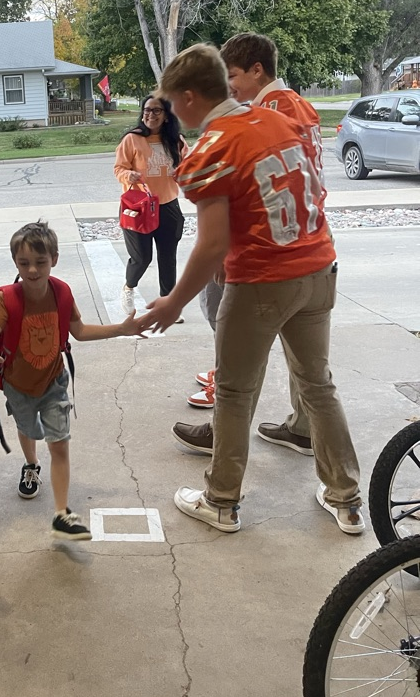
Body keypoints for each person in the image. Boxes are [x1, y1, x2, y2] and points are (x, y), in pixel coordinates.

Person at [137, 43, 363, 535]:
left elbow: (212, 243)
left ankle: (221, 500)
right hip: (319, 266)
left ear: (191, 97)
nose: (173, 114)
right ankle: (345, 497)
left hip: (264, 279)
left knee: (235, 393)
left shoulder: (214, 146)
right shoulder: (282, 117)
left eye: (174, 104)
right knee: (318, 384)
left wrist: (173, 301)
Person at [181, 32, 322, 439]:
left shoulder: (266, 114)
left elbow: (261, 191)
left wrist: (227, 255)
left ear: (257, 70)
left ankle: (222, 439)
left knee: (240, 350)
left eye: (235, 75)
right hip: (305, 246)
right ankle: (304, 427)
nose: (230, 86)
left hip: (269, 255)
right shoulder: (300, 106)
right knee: (309, 366)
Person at [0, 221, 144, 539]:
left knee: (60, 446)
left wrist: (121, 330)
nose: (32, 271)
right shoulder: (7, 299)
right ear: (15, 262)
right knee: (28, 430)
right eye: (24, 263)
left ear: (54, 258)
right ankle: (31, 465)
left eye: (40, 262)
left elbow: (79, 331)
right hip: (18, 386)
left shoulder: (62, 292)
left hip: (54, 382)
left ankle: (61, 513)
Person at [114, 94, 186, 318]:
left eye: (156, 111)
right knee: (141, 258)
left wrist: (183, 173)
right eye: (146, 110)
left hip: (167, 206)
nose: (150, 115)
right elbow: (119, 169)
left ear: (166, 116)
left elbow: (190, 167)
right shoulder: (132, 139)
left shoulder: (176, 141)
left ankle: (168, 305)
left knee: (168, 257)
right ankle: (128, 287)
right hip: (139, 208)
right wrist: (129, 175)